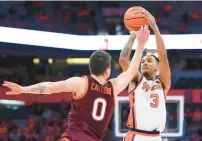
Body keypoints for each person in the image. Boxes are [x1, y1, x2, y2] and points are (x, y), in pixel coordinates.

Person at [3, 26, 150, 141]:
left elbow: (50, 87)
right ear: (108, 70)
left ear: (90, 68)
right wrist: (141, 45)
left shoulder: (82, 83)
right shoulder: (114, 87)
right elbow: (131, 71)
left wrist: (23, 89)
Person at [119, 10, 171, 141]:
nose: (144, 63)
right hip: (137, 136)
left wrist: (155, 29)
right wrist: (132, 36)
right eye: (142, 61)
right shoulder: (136, 79)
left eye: (149, 61)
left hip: (157, 137)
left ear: (157, 67)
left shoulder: (163, 84)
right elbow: (123, 60)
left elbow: (163, 57)